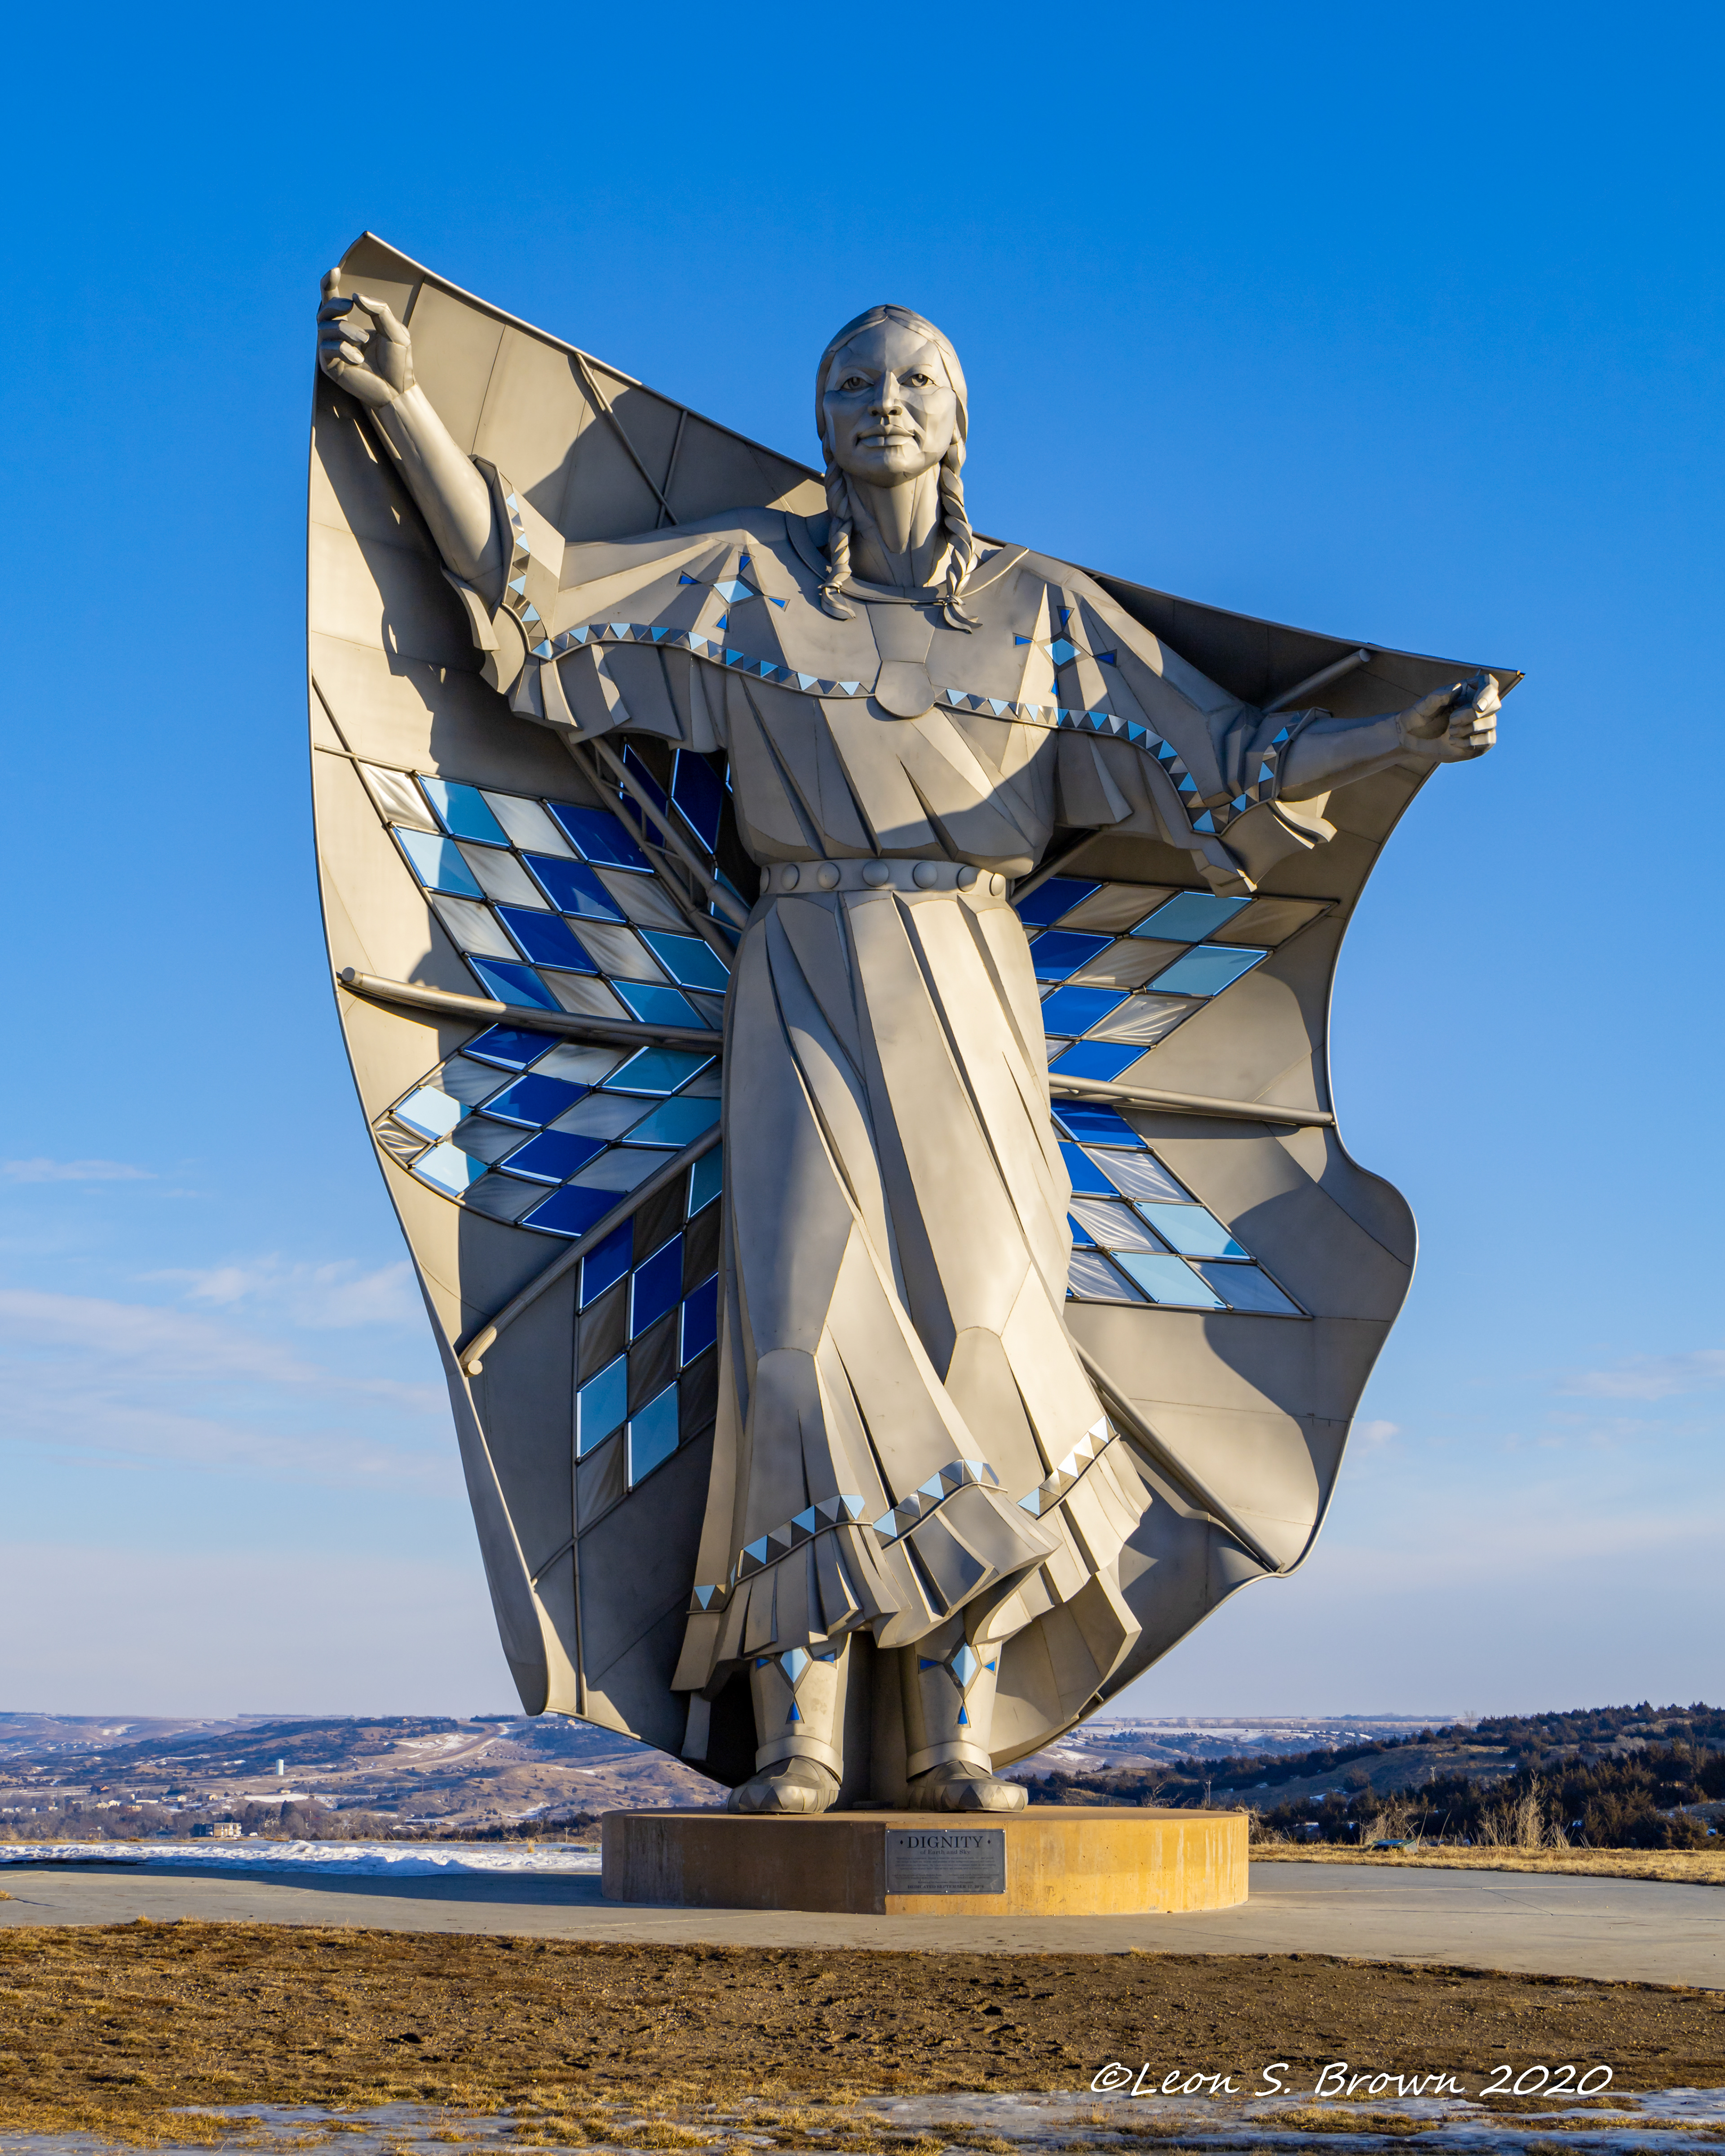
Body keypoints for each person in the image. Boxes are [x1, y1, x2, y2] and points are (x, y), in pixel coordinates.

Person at [318, 280, 1499, 1813]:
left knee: (990, 1330)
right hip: (801, 964)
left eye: (914, 380)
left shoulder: (1045, 618)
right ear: (818, 422)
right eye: (849, 381)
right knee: (801, 1338)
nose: (882, 400)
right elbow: (537, 599)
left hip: (974, 979)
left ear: (958, 421)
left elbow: (1227, 766)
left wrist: (1395, 738)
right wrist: (402, 405)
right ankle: (800, 1729)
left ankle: (955, 1727)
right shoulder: (744, 582)